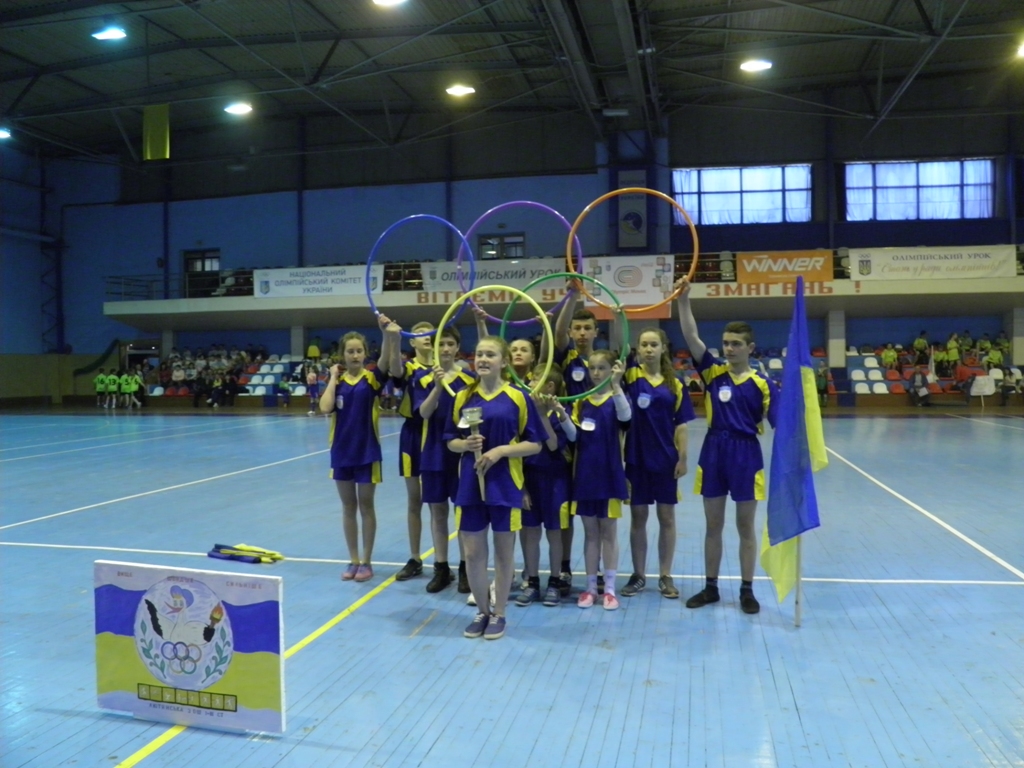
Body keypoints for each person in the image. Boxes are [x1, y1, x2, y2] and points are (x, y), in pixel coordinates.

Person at [676, 277, 778, 615]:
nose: (729, 349)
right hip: (714, 451)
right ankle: (711, 588)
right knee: (713, 525)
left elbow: (781, 425)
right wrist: (683, 300)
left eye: (736, 344)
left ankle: (747, 590)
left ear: (751, 348)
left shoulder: (763, 384)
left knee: (745, 526)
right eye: (725, 343)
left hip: (746, 454)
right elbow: (692, 337)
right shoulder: (712, 373)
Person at [444, 336, 544, 640]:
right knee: (473, 552)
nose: (483, 359)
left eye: (490, 354)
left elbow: (535, 444)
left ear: (504, 362)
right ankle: (482, 611)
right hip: (470, 483)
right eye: (479, 354)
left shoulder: (518, 397)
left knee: (503, 552)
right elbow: (450, 440)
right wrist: (465, 444)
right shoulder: (463, 397)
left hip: (505, 484)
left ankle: (499, 612)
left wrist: (501, 451)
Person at [320, 325, 398, 583]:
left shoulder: (372, 379)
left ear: (365, 353)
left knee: (366, 506)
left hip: (367, 452)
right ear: (342, 355)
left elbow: (385, 360)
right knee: (348, 507)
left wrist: (386, 334)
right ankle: (353, 559)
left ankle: (366, 561)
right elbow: (325, 408)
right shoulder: (339, 382)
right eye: (350, 351)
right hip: (341, 453)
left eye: (359, 351)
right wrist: (333, 377)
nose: (355, 355)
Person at [620, 329, 694, 600]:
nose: (649, 349)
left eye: (654, 344)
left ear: (664, 347)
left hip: (665, 460)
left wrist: (683, 458)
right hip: (636, 459)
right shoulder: (629, 377)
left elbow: (681, 425)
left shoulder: (676, 384)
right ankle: (638, 574)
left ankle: (665, 575)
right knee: (638, 517)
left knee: (667, 517)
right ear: (637, 349)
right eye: (644, 344)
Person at [417, 327, 475, 594]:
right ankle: (441, 567)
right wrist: (438, 386)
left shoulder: (469, 379)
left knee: (462, 512)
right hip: (433, 454)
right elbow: (424, 413)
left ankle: (465, 568)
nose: (446, 349)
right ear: (434, 347)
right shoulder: (423, 378)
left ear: (457, 347)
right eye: (441, 344)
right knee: (437, 512)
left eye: (450, 344)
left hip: (461, 454)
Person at [570, 350, 630, 611]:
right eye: (592, 368)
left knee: (609, 533)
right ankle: (591, 588)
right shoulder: (580, 402)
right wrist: (559, 414)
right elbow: (573, 436)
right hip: (585, 476)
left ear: (611, 370)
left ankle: (610, 590)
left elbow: (626, 418)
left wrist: (616, 385)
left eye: (602, 368)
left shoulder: (617, 398)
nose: (596, 373)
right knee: (591, 533)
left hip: (610, 476)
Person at [517, 368, 574, 607]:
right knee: (530, 533)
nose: (530, 383)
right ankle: (532, 581)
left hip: (556, 481)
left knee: (554, 533)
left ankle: (554, 581)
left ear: (549, 387)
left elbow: (552, 445)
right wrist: (521, 488)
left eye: (535, 380)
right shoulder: (523, 411)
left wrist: (542, 415)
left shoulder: (561, 412)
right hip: (530, 479)